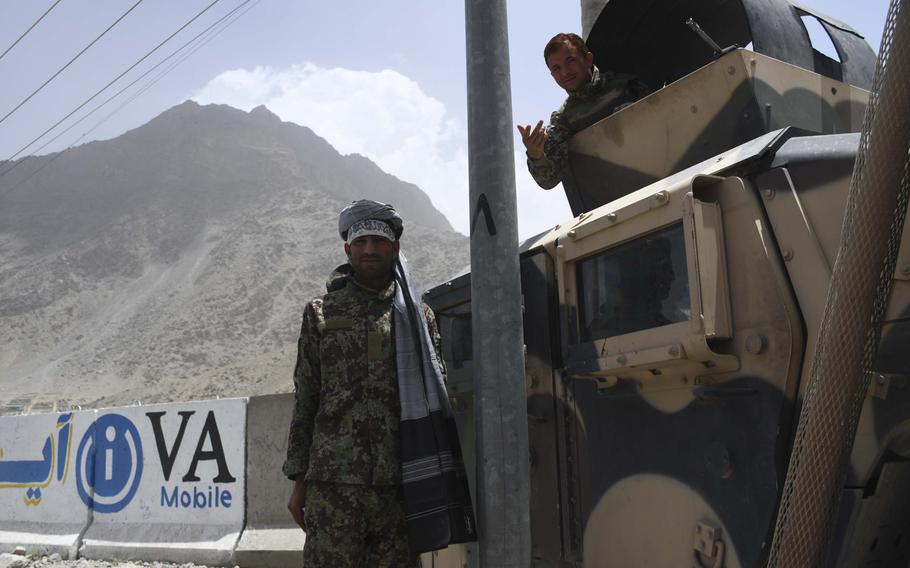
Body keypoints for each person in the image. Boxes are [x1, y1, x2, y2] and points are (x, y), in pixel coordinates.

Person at [283, 200, 476, 567]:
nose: (370, 249)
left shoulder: (418, 318)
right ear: (347, 250)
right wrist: (299, 479)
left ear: (395, 248)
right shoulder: (322, 313)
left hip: (400, 485)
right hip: (333, 485)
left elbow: (438, 392)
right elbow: (306, 397)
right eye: (361, 242)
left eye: (379, 241)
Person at [517, 32, 651, 190]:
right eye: (557, 68)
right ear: (552, 76)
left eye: (570, 61)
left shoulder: (628, 87)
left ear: (588, 59)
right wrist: (536, 155)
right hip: (611, 199)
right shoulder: (563, 121)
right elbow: (549, 181)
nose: (565, 72)